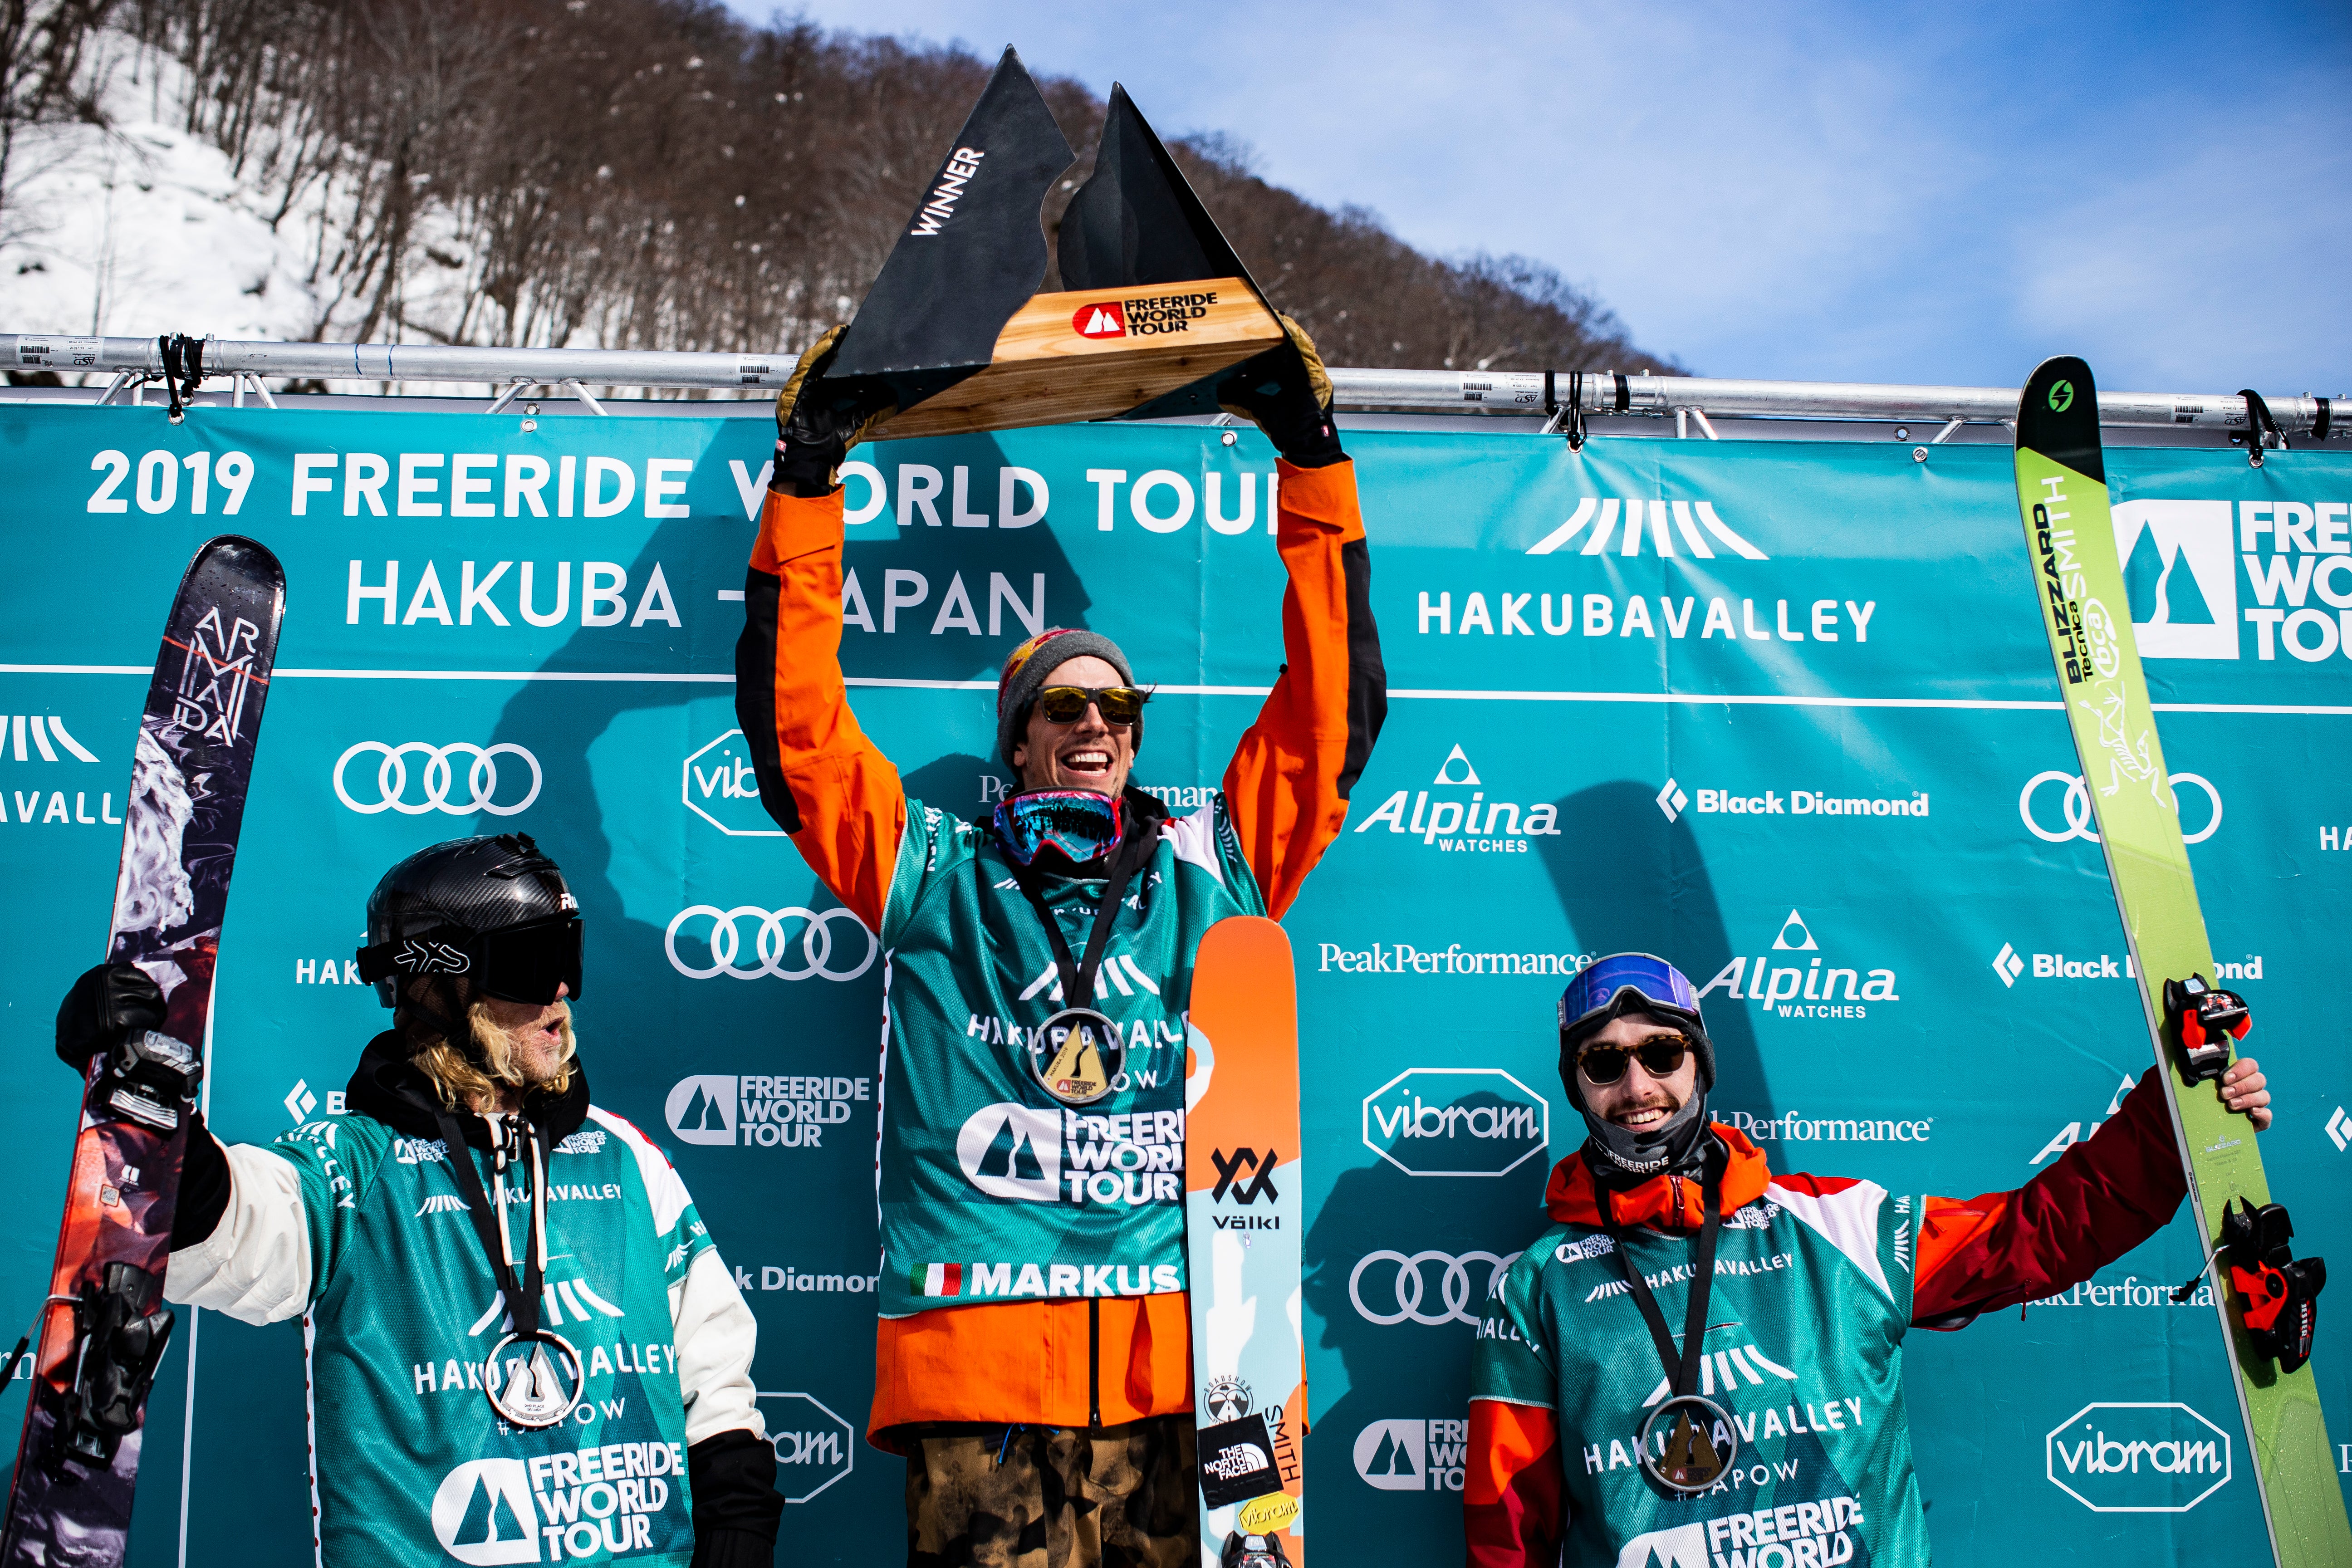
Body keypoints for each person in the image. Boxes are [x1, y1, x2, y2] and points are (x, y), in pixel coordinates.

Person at [734, 318, 1384, 1567]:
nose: (1096, 723)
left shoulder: (1219, 861)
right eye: (1064, 706)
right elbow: (797, 734)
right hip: (980, 1377)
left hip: (1190, 1373)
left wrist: (1312, 457)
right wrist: (809, 475)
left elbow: (1333, 707)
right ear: (1018, 741)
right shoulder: (930, 868)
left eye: (1118, 708)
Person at [54, 833, 783, 1568]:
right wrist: (149, 1111)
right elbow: (225, 1230)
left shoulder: (623, 1156)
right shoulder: (353, 1166)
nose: (562, 990)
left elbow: (714, 1382)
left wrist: (737, 1536)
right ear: (442, 983)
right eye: (535, 962)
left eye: (570, 955)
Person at [1465, 952, 2275, 1568]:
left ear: (1700, 1066)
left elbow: (2033, 1236)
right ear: (1576, 1085)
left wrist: (2172, 1124)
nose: (1637, 1084)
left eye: (1662, 1055)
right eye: (1604, 1062)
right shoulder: (1540, 1287)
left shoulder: (1837, 1224)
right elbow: (1509, 1526)